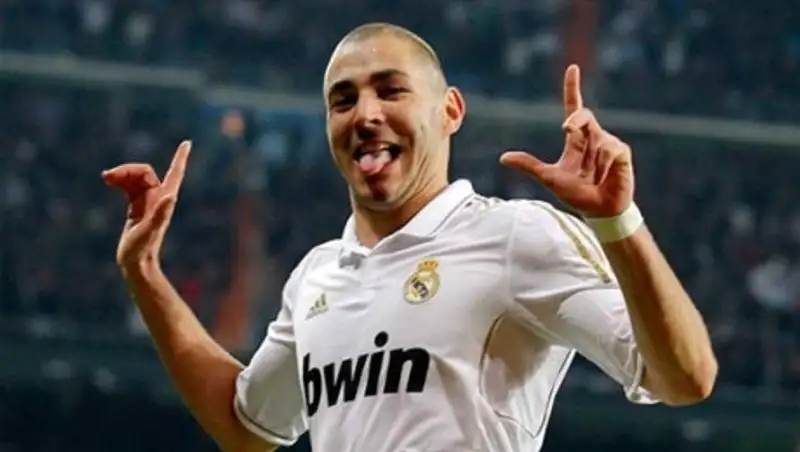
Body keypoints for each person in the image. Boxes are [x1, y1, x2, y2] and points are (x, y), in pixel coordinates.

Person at [103, 22, 717, 452]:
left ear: (450, 110)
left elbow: (685, 378)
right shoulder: (317, 276)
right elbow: (245, 425)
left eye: (390, 90)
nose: (365, 114)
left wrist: (618, 223)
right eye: (343, 101)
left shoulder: (514, 237)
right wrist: (144, 273)